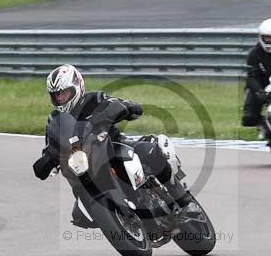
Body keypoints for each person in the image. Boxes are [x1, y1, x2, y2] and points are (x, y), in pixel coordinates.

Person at [32, 64, 187, 227]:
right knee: (79, 214)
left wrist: (124, 107)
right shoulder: (54, 120)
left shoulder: (94, 99)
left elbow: (119, 104)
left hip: (114, 144)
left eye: (64, 93)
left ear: (77, 87)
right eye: (57, 95)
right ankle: (121, 218)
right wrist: (47, 160)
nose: (61, 98)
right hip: (83, 164)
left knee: (151, 151)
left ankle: (183, 200)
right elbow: (51, 145)